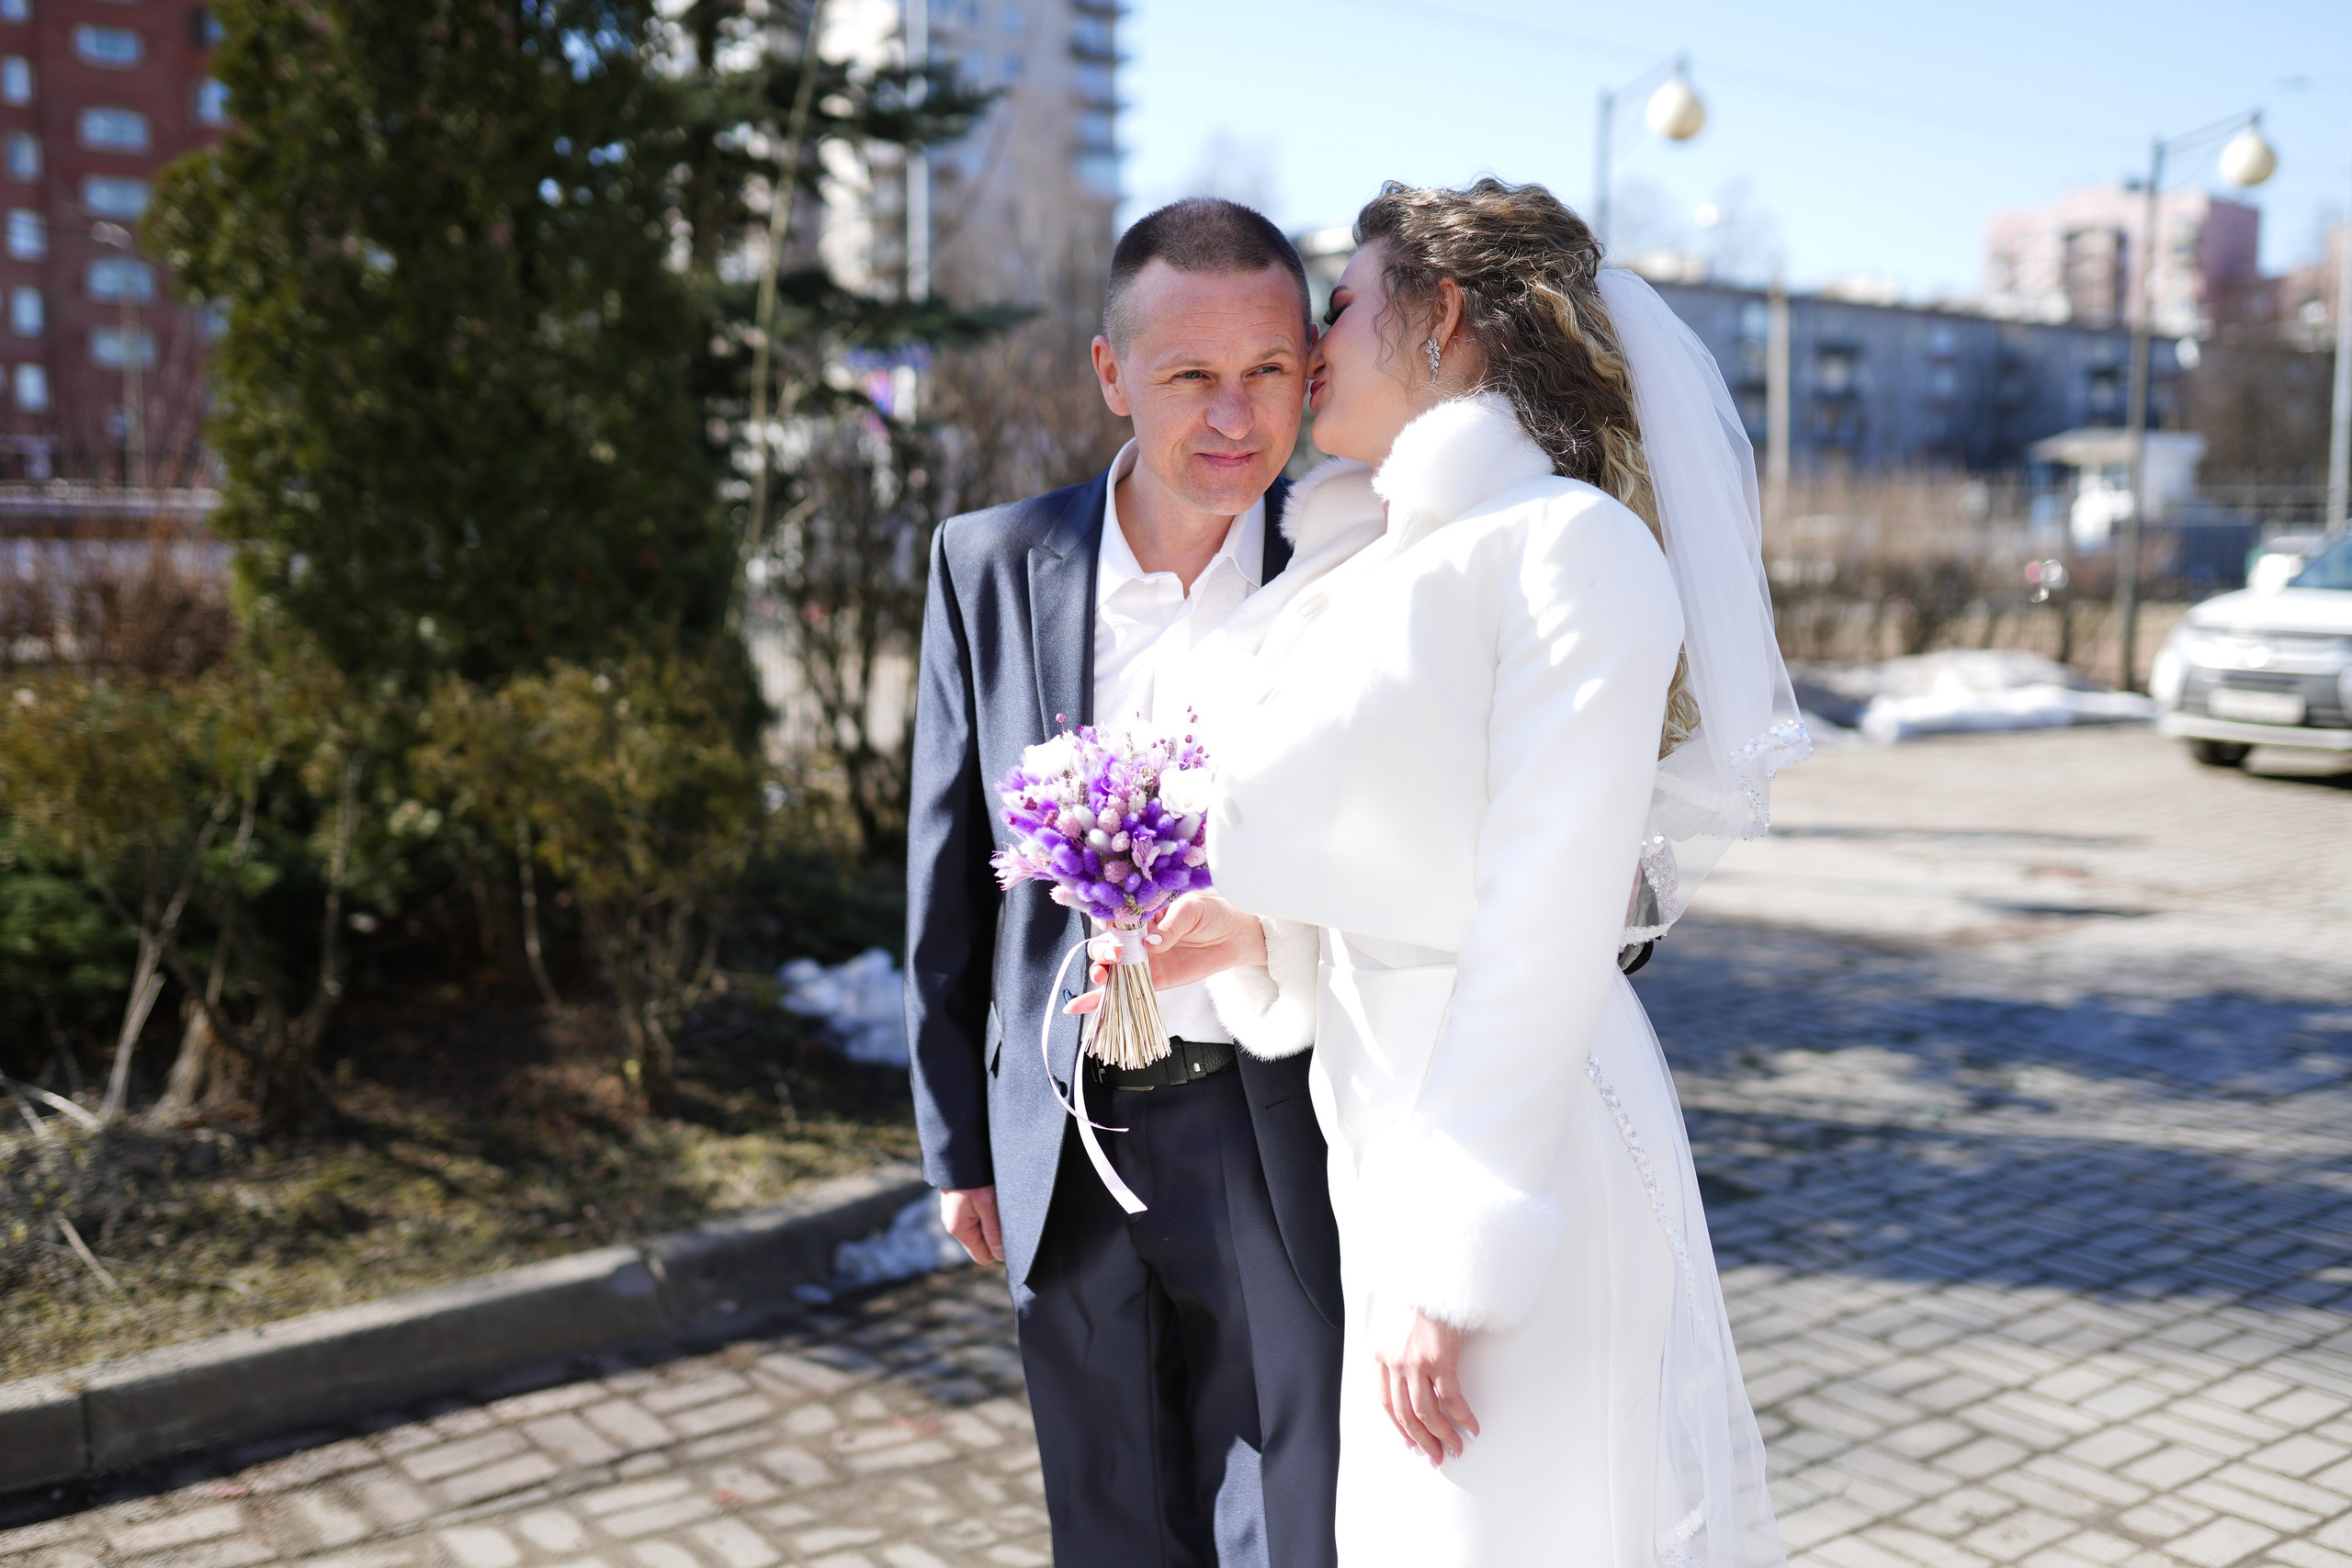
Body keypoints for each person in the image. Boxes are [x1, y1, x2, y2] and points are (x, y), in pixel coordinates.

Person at [1083, 179, 1808, 1566]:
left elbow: (1543, 918)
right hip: (1387, 1136)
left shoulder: (1570, 552)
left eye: (1342, 305)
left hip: (1522, 1159)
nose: (1312, 345)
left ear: (1446, 317)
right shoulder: (1372, 558)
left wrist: (1460, 1271)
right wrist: (1248, 941)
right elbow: (1396, 862)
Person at [903, 198, 1344, 1568]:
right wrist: (956, 1143)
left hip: (1271, 1132)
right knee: (1104, 1507)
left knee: (1283, 1504)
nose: (1234, 417)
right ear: (1111, 376)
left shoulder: (1341, 568)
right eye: (1189, 376)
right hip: (1059, 1124)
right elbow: (941, 871)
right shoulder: (988, 563)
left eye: (1268, 371)